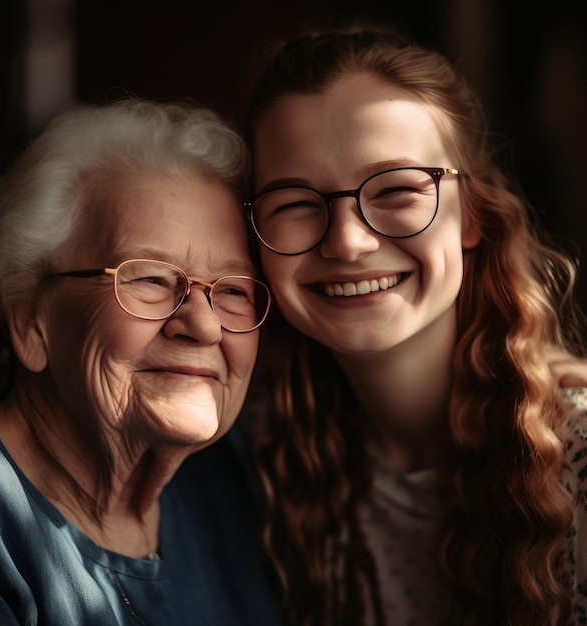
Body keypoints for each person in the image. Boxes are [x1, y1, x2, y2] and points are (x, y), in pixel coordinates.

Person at [242, 28, 587, 626]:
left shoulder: (579, 457)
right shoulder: (258, 453)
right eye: (295, 203)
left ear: (473, 214)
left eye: (397, 189)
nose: (348, 241)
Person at [0, 98, 281, 625]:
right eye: (152, 279)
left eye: (233, 291)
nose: (203, 325)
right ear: (30, 320)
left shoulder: (231, 483)